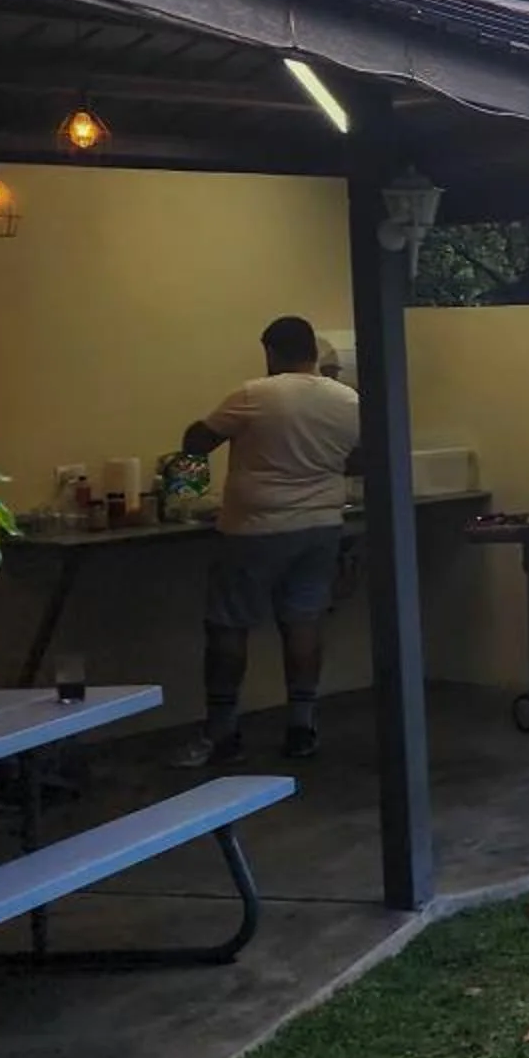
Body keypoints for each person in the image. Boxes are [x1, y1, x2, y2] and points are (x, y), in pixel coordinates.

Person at [172, 315, 360, 767]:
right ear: (314, 351)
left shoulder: (255, 394)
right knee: (302, 622)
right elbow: (360, 460)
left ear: (271, 352)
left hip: (255, 527)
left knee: (230, 625)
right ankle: (302, 726)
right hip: (321, 526)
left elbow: (196, 443)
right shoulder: (349, 399)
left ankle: (222, 733)